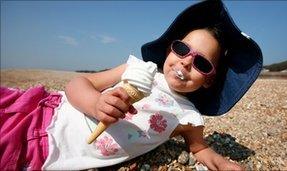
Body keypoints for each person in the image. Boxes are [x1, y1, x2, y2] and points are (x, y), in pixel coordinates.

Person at [0, 0, 263, 170]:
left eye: (201, 64)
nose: (185, 63)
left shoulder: (189, 117)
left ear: (209, 81)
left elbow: (199, 148)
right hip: (45, 117)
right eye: (182, 49)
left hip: (49, 151)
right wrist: (94, 103)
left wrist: (220, 161)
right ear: (170, 48)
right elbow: (78, 83)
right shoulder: (137, 69)